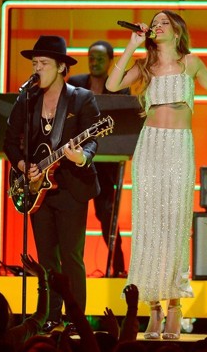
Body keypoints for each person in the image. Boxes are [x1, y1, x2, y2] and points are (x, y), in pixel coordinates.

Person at [106, 10, 207, 339]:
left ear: (176, 32)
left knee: (174, 226)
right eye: (154, 23)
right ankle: (153, 310)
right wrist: (131, 45)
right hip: (150, 147)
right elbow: (112, 83)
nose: (157, 27)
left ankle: (174, 305)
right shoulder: (146, 66)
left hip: (177, 148)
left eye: (163, 23)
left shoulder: (191, 63)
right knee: (149, 227)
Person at [4, 35, 101, 332]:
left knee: (71, 256)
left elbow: (93, 139)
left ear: (61, 67)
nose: (37, 69)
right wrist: (23, 166)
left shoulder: (81, 98)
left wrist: (81, 157)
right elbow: (10, 142)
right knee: (46, 258)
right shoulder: (27, 98)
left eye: (43, 63)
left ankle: (76, 317)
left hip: (71, 186)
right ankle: (49, 314)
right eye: (34, 63)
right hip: (37, 190)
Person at [67, 40, 130, 278]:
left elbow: (123, 123)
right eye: (91, 57)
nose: (94, 62)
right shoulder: (74, 84)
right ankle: (71, 269)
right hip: (76, 158)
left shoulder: (121, 88)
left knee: (105, 213)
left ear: (111, 61)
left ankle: (118, 267)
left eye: (100, 58)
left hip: (107, 161)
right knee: (72, 212)